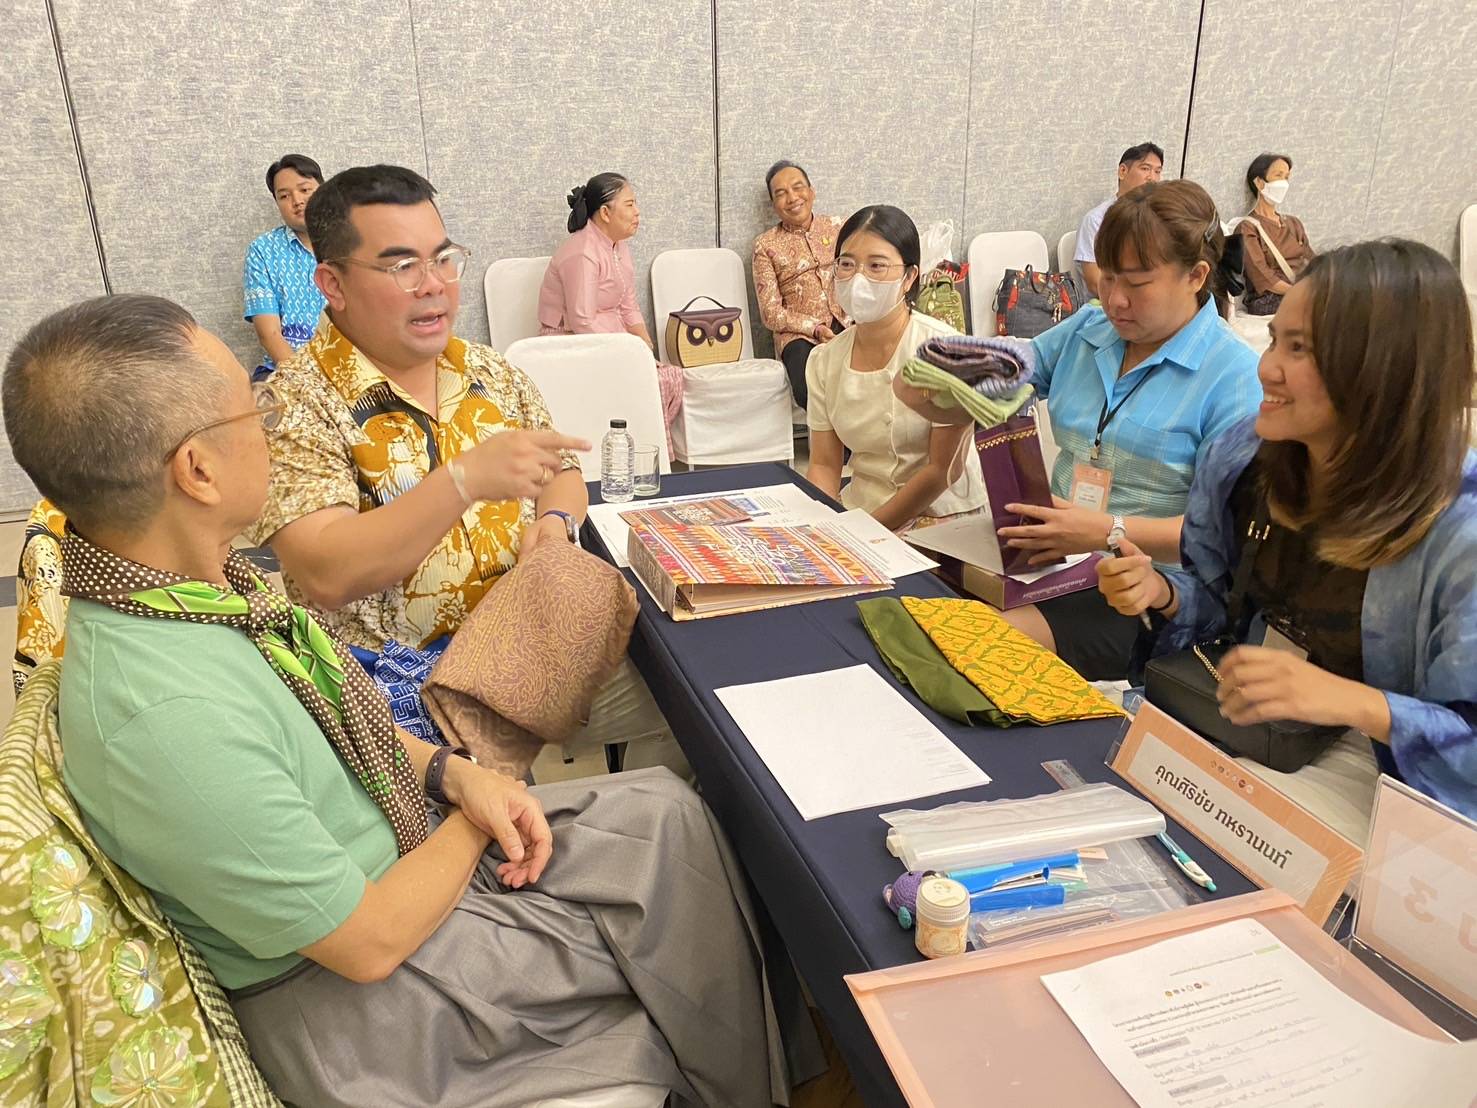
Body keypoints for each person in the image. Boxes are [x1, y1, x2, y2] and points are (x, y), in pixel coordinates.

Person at [3, 292, 805, 1108]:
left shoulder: (198, 590)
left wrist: (459, 777)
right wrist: (474, 809)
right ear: (197, 471)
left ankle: (762, 1072)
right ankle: (745, 1080)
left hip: (403, 855)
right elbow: (368, 943)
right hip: (376, 1007)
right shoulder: (163, 712)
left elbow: (323, 725)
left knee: (667, 811)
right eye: (252, 415)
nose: (271, 433)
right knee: (687, 934)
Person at [251, 165, 679, 764]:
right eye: (402, 266)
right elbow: (327, 572)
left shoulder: (489, 371)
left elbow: (559, 471)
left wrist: (554, 528)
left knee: (703, 682)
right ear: (333, 283)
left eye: (444, 258)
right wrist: (462, 481)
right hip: (407, 689)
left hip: (530, 640)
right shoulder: (293, 401)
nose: (434, 285)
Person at [1099, 239, 1477, 833]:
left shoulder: (1460, 530)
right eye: (1274, 338)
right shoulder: (1243, 460)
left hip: (1393, 790)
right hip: (1254, 740)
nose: (1265, 367)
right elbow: (1220, 606)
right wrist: (1162, 593)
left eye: (1298, 348)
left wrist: (1354, 702)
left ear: (1383, 368)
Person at [898, 181, 1262, 681]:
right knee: (912, 605)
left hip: (1153, 588)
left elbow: (1230, 539)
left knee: (970, 651)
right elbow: (1015, 367)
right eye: (1106, 278)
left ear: (1196, 276)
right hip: (1057, 558)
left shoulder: (1235, 378)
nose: (1115, 300)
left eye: (1136, 284)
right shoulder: (1091, 328)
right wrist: (938, 369)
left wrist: (1106, 530)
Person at [805, 204, 985, 531]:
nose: (858, 278)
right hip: (863, 510)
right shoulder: (824, 361)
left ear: (909, 277)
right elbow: (824, 465)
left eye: (876, 266)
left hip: (943, 518)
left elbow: (942, 470)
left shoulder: (945, 351)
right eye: (846, 264)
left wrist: (869, 534)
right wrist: (822, 529)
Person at [537, 172, 682, 443]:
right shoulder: (582, 252)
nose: (637, 212)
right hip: (568, 344)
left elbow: (628, 304)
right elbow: (581, 321)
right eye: (629, 205)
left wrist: (645, 350)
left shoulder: (620, 247)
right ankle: (620, 452)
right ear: (605, 212)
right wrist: (624, 354)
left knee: (667, 376)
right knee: (640, 382)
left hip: (610, 338)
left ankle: (646, 453)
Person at [752, 160, 846, 406]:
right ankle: (835, 444)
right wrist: (814, 328)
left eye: (798, 187)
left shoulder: (840, 227)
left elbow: (861, 275)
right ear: (774, 205)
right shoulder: (766, 245)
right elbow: (770, 313)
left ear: (811, 191)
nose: (792, 198)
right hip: (798, 336)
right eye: (781, 194)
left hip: (848, 321)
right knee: (809, 388)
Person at [243, 154, 329, 380]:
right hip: (285, 369)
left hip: (348, 367)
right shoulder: (263, 250)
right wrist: (307, 382)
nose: (297, 201)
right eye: (284, 195)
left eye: (305, 190)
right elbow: (269, 333)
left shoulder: (351, 244)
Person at [1075, 143, 1165, 298]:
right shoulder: (1097, 220)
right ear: (1122, 171)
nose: (1152, 178)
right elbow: (1094, 282)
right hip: (1105, 308)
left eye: (1157, 171)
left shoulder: (1157, 218)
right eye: (1145, 169)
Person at [1236, 153, 1315, 316]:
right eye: (1278, 175)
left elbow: (1312, 260)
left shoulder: (1294, 223)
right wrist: (1299, 293)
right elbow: (1262, 275)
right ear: (1259, 182)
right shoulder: (1248, 228)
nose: (1284, 183)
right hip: (1269, 300)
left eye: (1286, 177)